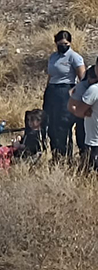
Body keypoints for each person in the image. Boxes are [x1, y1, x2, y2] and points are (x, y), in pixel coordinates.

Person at [43, 30, 86, 161]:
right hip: (52, 91)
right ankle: (55, 155)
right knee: (51, 125)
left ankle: (65, 157)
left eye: (66, 43)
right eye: (60, 43)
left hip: (66, 91)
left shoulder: (74, 57)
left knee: (63, 125)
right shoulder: (53, 57)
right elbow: (50, 76)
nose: (63, 46)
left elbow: (82, 78)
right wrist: (47, 91)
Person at [67, 65, 98, 170]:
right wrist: (83, 112)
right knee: (84, 146)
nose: (92, 80)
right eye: (90, 77)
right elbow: (71, 106)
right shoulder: (83, 87)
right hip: (82, 121)